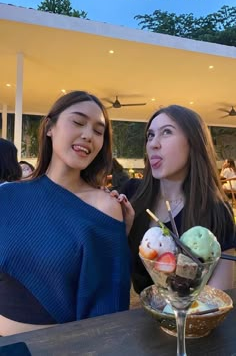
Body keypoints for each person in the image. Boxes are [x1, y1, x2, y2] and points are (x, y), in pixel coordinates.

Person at [0, 91, 132, 336]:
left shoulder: (104, 208)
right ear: (50, 127)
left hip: (55, 349)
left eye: (98, 131)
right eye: (78, 122)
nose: (87, 135)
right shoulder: (7, 196)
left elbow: (108, 308)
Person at [121, 105, 236, 294]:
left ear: (193, 143)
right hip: (140, 316)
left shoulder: (216, 210)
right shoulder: (131, 195)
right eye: (150, 135)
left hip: (194, 317)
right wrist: (121, 233)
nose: (153, 144)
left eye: (166, 132)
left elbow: (219, 293)